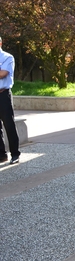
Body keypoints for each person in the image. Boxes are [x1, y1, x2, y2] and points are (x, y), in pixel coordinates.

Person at [0, 36, 21, 165]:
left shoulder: (7, 57)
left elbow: (3, 73)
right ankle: (2, 155)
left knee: (9, 125)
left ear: (0, 43)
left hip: (3, 94)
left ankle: (15, 154)